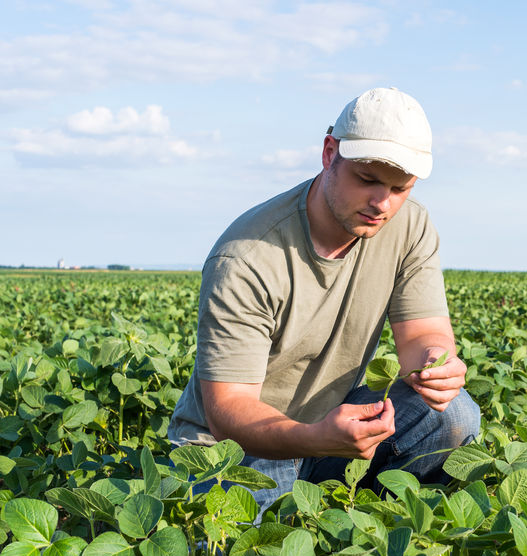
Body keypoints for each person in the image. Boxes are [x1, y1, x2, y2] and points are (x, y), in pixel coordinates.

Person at [168, 87, 480, 512]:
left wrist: (435, 363)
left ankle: (383, 528)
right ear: (329, 152)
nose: (382, 203)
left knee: (452, 414)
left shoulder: (410, 225)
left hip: (335, 427)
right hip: (236, 449)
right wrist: (316, 438)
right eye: (367, 179)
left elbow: (424, 333)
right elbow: (228, 410)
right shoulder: (247, 257)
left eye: (399, 187)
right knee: (257, 549)